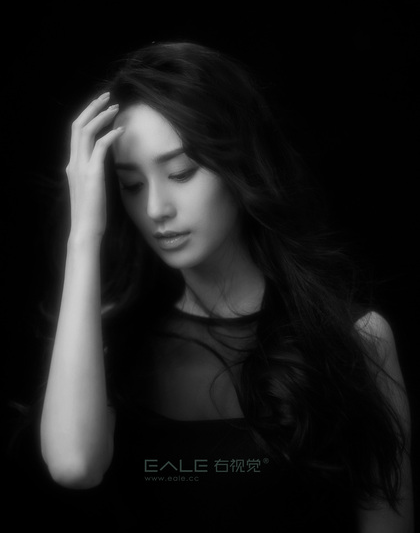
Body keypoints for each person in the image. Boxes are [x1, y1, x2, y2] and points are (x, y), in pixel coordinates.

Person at [39, 41, 414, 531]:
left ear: (239, 164)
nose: (155, 209)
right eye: (132, 184)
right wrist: (84, 235)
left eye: (181, 173)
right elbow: (74, 466)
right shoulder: (113, 341)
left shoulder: (356, 339)